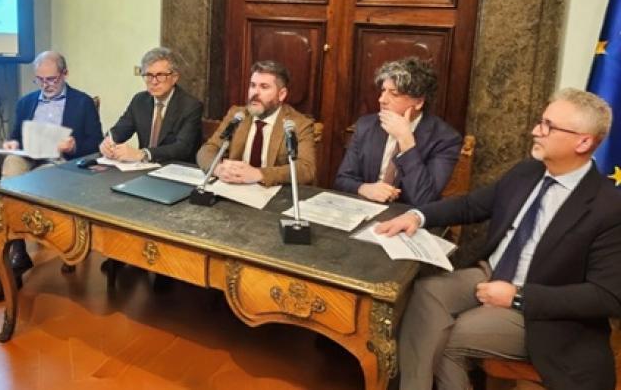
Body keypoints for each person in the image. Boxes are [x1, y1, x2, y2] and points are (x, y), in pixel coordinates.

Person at [376, 88, 621, 390]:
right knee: (426, 293)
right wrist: (417, 216)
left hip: (541, 312)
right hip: (491, 273)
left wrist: (518, 296)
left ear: (583, 142)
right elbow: (471, 205)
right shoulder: (527, 172)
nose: (535, 131)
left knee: (447, 334)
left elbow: (606, 296)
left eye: (549, 126)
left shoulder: (608, 207)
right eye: (540, 121)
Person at [0, 50, 102, 304]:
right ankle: (17, 251)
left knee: (33, 181)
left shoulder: (82, 103)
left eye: (52, 79)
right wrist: (12, 144)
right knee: (11, 165)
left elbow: (96, 144)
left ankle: (13, 259)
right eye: (40, 80)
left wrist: (74, 146)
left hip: (58, 162)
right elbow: (16, 135)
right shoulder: (26, 102)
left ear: (65, 74)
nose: (46, 85)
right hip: (29, 155)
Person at [334, 57, 461, 207]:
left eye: (394, 94)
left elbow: (425, 199)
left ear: (419, 102)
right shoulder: (366, 126)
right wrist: (364, 188)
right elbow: (342, 179)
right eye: (383, 91)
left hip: (409, 216)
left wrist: (406, 142)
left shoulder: (445, 139)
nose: (382, 99)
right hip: (366, 208)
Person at [197, 60, 315, 186]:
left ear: (281, 94)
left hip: (271, 191)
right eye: (253, 85)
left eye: (264, 87)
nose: (255, 93)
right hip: (234, 187)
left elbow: (306, 169)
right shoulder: (238, 115)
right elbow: (208, 149)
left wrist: (259, 174)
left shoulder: (298, 124)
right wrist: (218, 169)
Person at [99, 47, 202, 164]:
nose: (154, 81)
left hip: (174, 168)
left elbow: (182, 148)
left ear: (174, 77)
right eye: (149, 75)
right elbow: (120, 130)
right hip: (143, 168)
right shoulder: (139, 101)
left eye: (160, 75)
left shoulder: (190, 106)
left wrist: (144, 154)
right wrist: (108, 142)